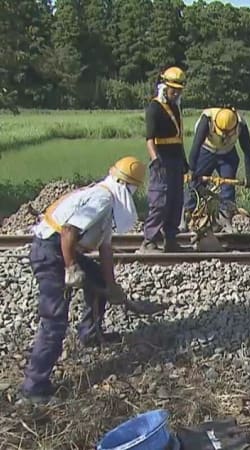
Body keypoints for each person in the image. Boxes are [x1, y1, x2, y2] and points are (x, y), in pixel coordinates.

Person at [19, 157, 145, 404]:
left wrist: (110, 285)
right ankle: (34, 388)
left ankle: (90, 333)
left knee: (96, 277)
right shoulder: (102, 199)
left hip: (61, 249)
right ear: (129, 187)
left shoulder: (108, 203)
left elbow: (106, 249)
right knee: (55, 320)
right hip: (50, 251)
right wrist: (72, 268)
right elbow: (68, 233)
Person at [181, 106, 250, 232]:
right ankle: (186, 216)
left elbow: (247, 150)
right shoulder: (207, 120)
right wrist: (192, 170)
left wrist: (249, 176)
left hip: (228, 154)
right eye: (222, 132)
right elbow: (196, 146)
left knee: (228, 186)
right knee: (194, 184)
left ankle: (225, 219)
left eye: (228, 133)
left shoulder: (240, 124)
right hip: (206, 150)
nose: (225, 135)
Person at [141, 66, 189, 253]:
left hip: (176, 160)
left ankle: (171, 239)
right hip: (161, 160)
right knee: (160, 201)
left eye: (178, 90)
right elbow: (150, 139)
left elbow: (178, 139)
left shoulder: (176, 107)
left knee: (176, 202)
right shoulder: (155, 108)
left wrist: (184, 161)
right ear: (164, 87)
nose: (175, 93)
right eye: (172, 89)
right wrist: (155, 160)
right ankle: (149, 241)